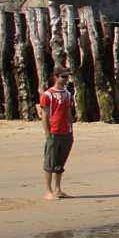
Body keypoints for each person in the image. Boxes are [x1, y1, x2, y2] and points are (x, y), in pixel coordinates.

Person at [38, 66, 76, 200]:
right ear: (56, 77)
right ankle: (48, 191)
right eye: (63, 76)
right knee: (50, 162)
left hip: (66, 132)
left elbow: (68, 112)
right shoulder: (47, 95)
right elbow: (44, 115)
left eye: (67, 77)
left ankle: (58, 189)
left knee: (60, 162)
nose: (66, 79)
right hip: (54, 132)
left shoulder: (67, 94)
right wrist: (48, 134)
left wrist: (71, 129)